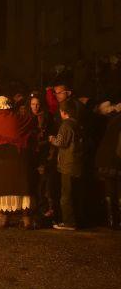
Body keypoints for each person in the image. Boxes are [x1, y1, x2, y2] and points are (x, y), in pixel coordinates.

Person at [0, 96, 35, 229]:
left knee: (2, 190)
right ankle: (26, 219)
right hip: (18, 161)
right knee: (21, 189)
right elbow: (28, 131)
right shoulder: (18, 119)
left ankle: (4, 219)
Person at [49, 99, 84, 231]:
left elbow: (61, 142)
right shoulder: (77, 124)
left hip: (67, 164)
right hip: (77, 163)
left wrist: (52, 139)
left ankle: (69, 222)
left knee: (66, 195)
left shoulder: (66, 125)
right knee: (75, 193)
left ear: (63, 112)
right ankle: (77, 220)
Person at [95, 100, 121, 229]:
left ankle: (112, 220)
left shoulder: (109, 119)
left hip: (106, 159)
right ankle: (116, 220)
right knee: (117, 191)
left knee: (110, 191)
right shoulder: (116, 120)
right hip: (115, 160)